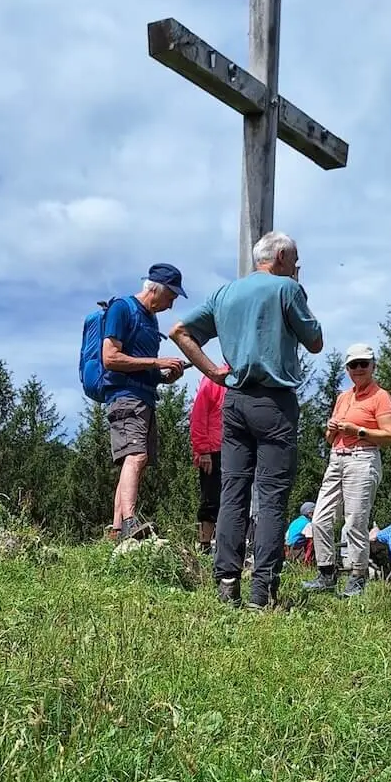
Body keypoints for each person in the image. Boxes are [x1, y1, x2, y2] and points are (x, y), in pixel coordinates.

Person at [169, 231, 323, 610]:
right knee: (270, 496)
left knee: (232, 493)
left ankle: (226, 584)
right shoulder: (287, 289)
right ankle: (262, 591)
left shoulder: (225, 293)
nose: (297, 266)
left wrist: (212, 372)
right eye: (295, 260)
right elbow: (315, 341)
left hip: (235, 402)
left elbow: (179, 331)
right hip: (275, 402)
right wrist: (297, 288)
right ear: (282, 256)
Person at [303, 343, 391, 598]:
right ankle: (326, 573)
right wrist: (332, 429)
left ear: (373, 366)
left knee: (355, 520)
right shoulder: (343, 397)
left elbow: (390, 435)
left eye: (363, 364)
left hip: (363, 458)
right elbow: (329, 438)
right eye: (353, 365)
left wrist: (359, 431)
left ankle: (358, 576)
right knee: (320, 518)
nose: (358, 369)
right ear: (347, 368)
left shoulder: (381, 396)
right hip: (337, 458)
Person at [102, 264, 187, 541]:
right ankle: (129, 523)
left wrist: (166, 376)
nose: (171, 305)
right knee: (136, 456)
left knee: (136, 459)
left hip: (145, 398)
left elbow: (144, 367)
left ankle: (117, 530)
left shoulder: (150, 320)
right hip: (125, 398)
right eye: (171, 297)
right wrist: (156, 362)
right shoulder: (122, 309)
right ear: (155, 289)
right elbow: (110, 358)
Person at [189, 368, 226, 555]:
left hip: (236, 449)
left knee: (233, 499)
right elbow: (198, 414)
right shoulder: (214, 379)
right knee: (210, 498)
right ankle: (204, 545)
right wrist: (202, 450)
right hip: (213, 450)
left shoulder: (245, 378)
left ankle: (226, 545)